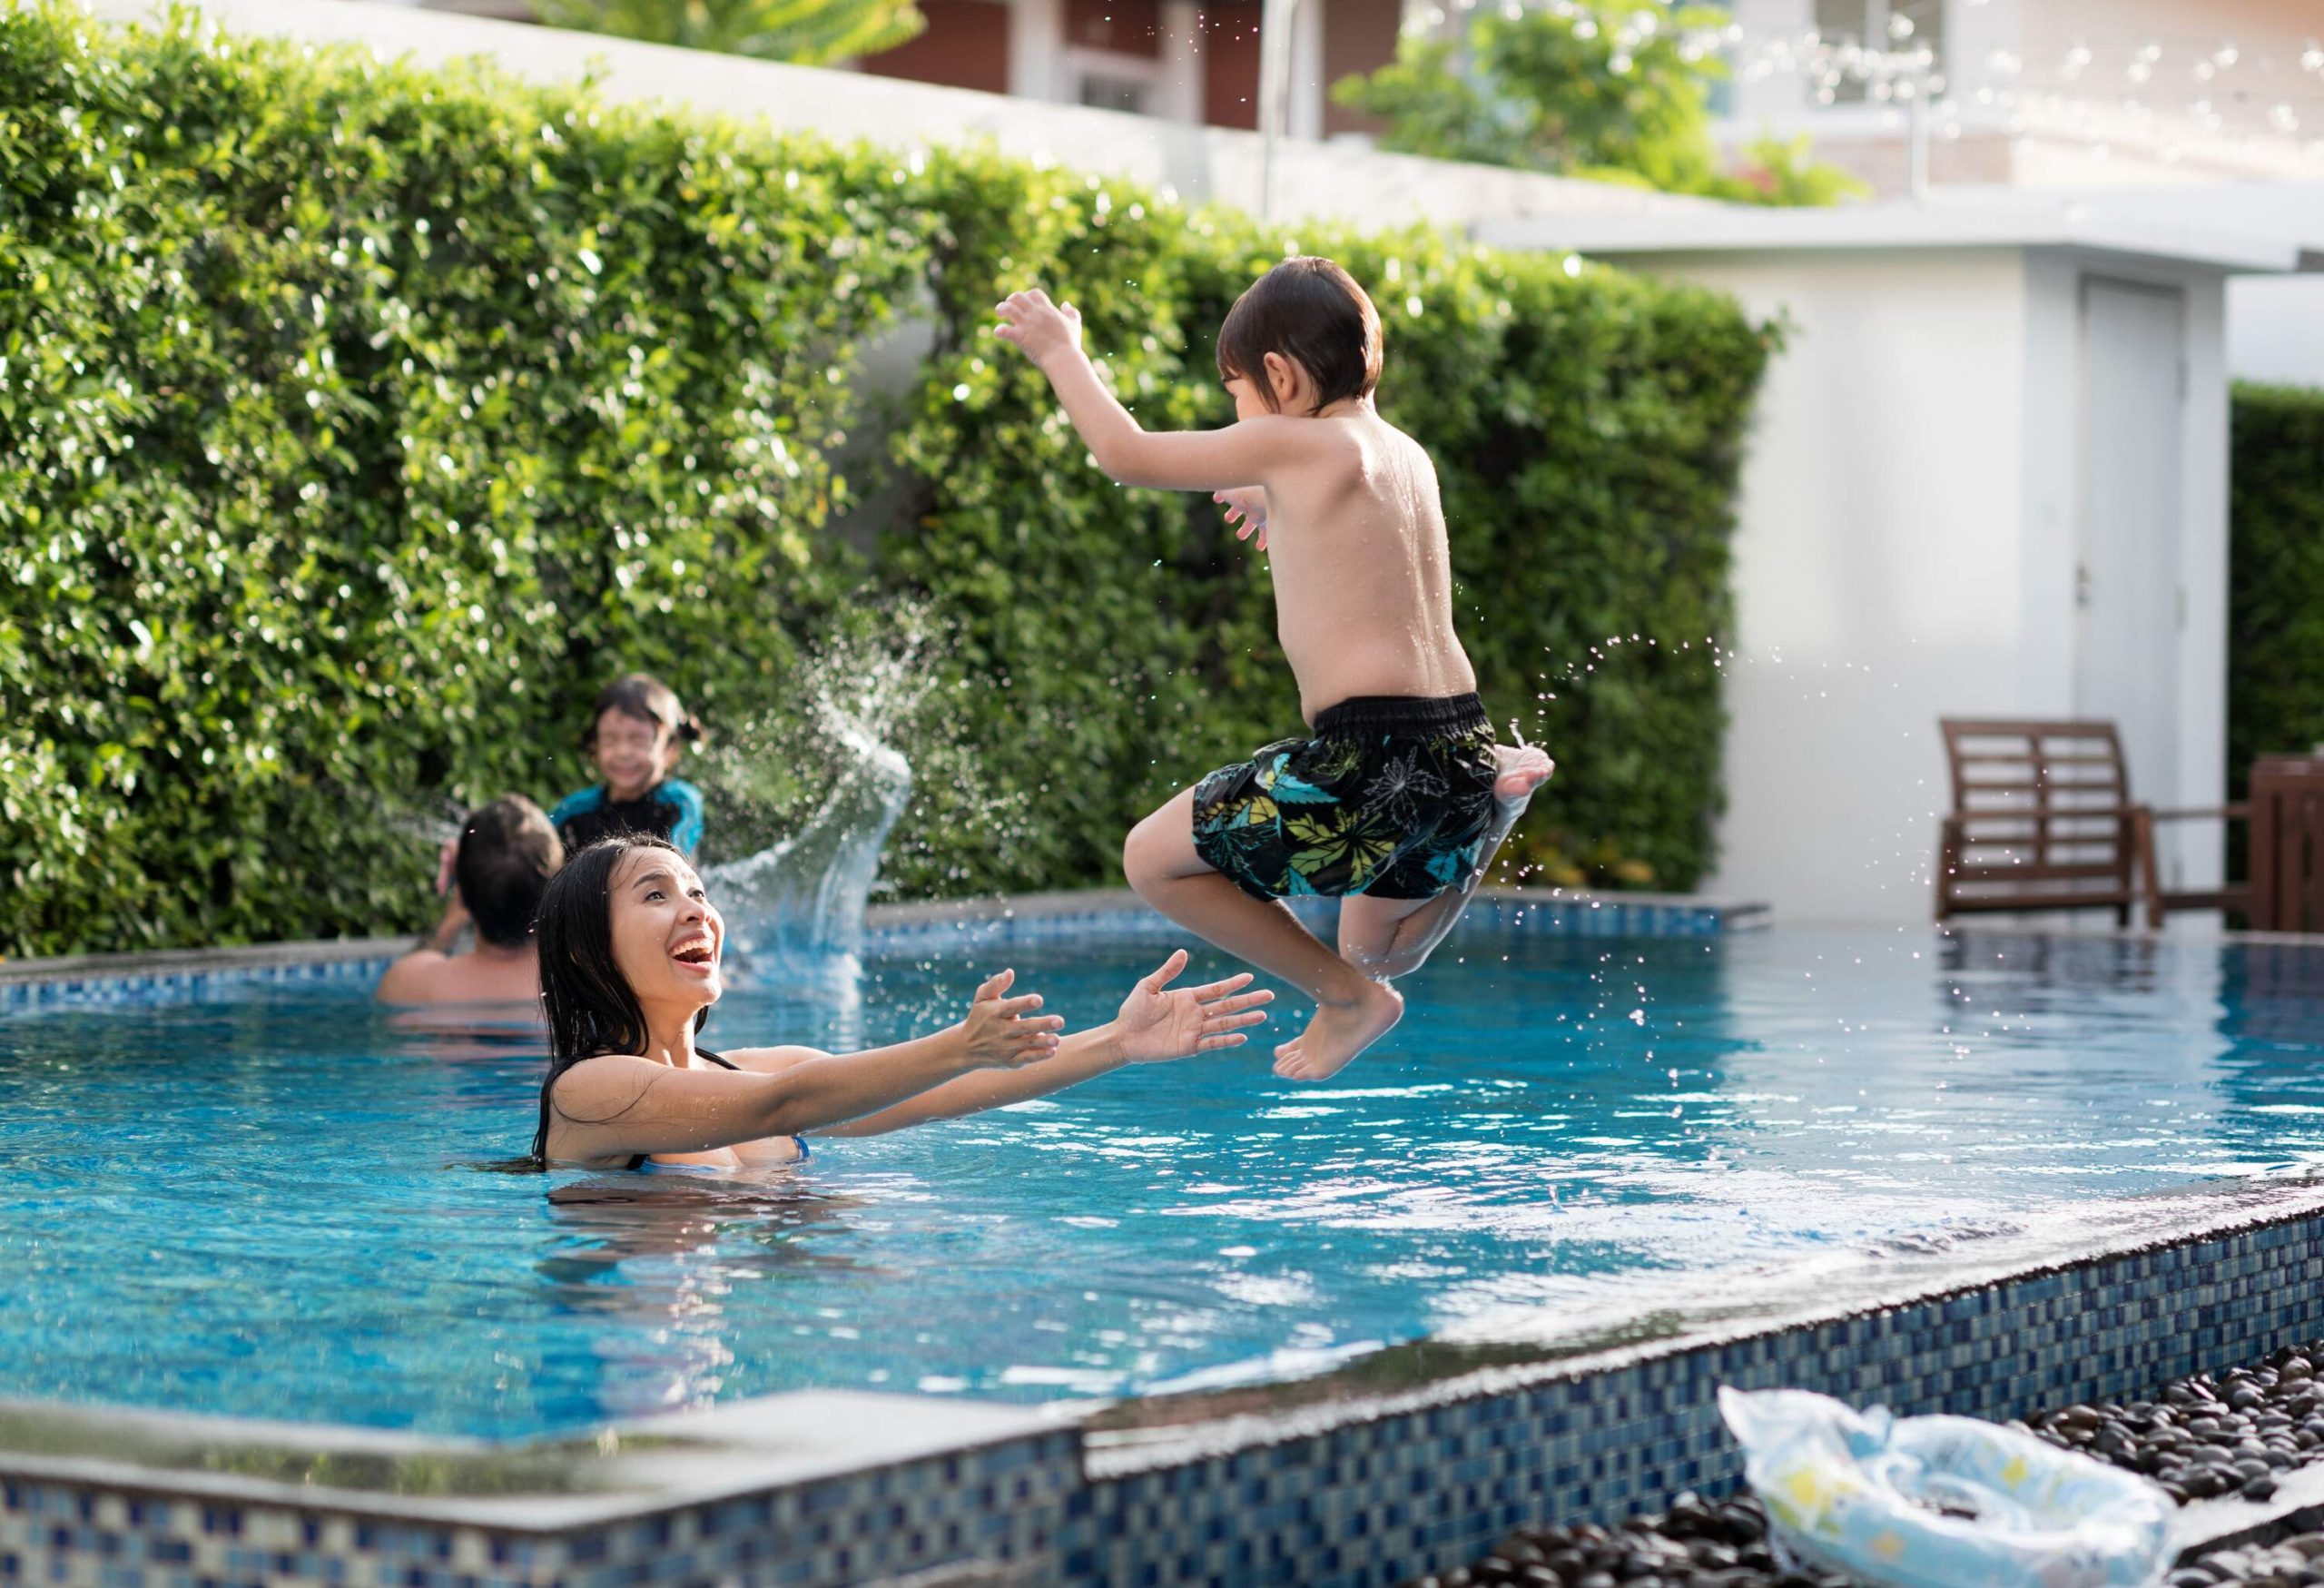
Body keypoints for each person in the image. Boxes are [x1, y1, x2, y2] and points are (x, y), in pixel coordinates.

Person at [993, 257, 1555, 1083]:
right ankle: (1494, 809)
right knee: (1376, 946)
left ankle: (1346, 998)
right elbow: (1367, 557)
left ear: (1280, 377)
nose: (1238, 415)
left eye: (1236, 393)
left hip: (1368, 755)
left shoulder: (1295, 443)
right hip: (1454, 743)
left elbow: (1125, 453)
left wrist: (1059, 351)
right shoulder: (1405, 456)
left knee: (1152, 860)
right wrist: (1276, 509)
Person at [529, 835, 1273, 1169]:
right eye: (655, 895)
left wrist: (1117, 1040)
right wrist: (959, 1040)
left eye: (698, 891)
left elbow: (941, 1090)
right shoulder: (589, 1092)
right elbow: (779, 1108)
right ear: (582, 947)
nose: (697, 911)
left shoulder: (761, 1068)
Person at [378, 794, 564, 1006]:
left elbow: (412, 966)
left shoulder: (409, 984)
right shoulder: (579, 988)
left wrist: (454, 912)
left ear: (463, 887)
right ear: (555, 889)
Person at [550, 674, 707, 857]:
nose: (623, 752)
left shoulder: (678, 803)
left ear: (670, 749)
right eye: (610, 740)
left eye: (639, 740)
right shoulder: (575, 809)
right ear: (594, 746)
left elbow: (675, 864)